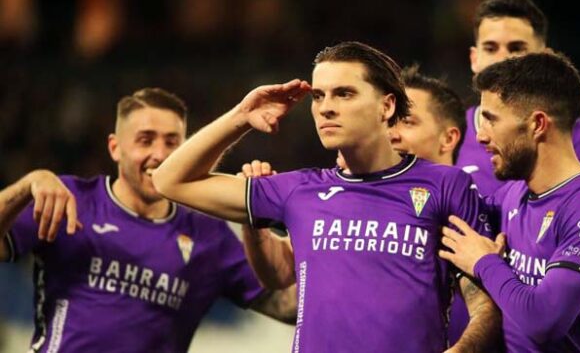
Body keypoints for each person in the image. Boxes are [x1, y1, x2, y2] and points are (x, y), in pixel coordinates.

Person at [153, 41, 501, 353]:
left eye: (344, 94)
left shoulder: (445, 186)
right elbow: (170, 181)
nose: (325, 108)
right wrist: (241, 116)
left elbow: (484, 299)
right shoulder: (300, 190)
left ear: (386, 105)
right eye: (319, 96)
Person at [0, 88, 296, 353]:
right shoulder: (70, 200)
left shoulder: (209, 234)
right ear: (115, 148)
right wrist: (27, 186)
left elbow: (288, 306)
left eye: (172, 142)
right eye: (145, 140)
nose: (159, 154)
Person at [440, 52, 580, 353]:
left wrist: (484, 262)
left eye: (491, 120)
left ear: (537, 124)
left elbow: (543, 320)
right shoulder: (513, 195)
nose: (480, 136)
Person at [457, 0, 580, 196]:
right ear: (474, 59)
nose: (503, 59)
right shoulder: (452, 136)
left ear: (544, 58)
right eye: (491, 48)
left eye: (517, 48)